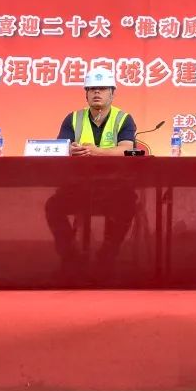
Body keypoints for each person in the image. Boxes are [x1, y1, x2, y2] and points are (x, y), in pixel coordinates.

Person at [45, 67, 138, 279]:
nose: (97, 92)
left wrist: (95, 151)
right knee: (53, 206)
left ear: (112, 93)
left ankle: (107, 257)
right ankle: (70, 257)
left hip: (113, 188)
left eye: (103, 88)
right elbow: (60, 147)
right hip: (78, 188)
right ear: (85, 94)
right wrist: (70, 149)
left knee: (127, 203)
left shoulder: (124, 118)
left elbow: (127, 150)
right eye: (92, 88)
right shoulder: (73, 118)